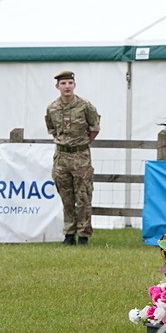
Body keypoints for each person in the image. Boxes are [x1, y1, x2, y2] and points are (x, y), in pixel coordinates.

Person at [45, 71, 101, 245]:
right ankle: (69, 234)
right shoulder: (52, 108)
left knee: (83, 196)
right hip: (61, 157)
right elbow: (52, 129)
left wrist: (81, 144)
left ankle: (83, 235)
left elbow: (94, 128)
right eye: (63, 84)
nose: (67, 86)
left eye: (70, 83)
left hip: (81, 157)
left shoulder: (85, 106)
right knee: (66, 197)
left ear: (74, 85)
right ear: (57, 87)